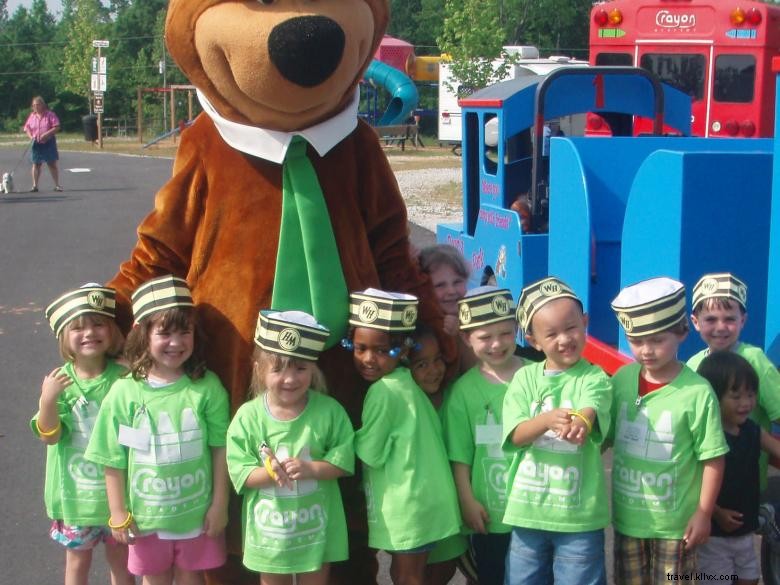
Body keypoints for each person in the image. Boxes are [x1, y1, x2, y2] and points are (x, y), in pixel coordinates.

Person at [85, 275, 230, 585]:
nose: (175, 343)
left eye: (184, 332)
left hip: (196, 517)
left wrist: (220, 505)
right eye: (164, 332)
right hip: (145, 520)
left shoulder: (207, 388)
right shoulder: (124, 393)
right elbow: (112, 458)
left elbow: (221, 449)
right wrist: (118, 512)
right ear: (142, 333)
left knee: (192, 578)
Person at [609, 277, 728, 584]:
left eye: (657, 340)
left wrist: (703, 513)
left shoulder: (697, 392)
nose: (646, 350)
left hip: (677, 528)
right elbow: (603, 436)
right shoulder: (621, 379)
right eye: (636, 341)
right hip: (628, 520)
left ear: (683, 333)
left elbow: (713, 458)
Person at [225, 310, 354, 585]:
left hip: (315, 532)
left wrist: (311, 468)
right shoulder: (248, 417)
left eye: (300, 368)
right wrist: (270, 471)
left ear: (314, 369)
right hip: (269, 536)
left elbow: (343, 462)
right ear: (259, 370)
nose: (290, 378)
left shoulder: (330, 412)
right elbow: (240, 472)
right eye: (278, 369)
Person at [502, 277, 612, 585]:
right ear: (533, 340)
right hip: (527, 513)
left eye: (571, 328)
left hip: (579, 519)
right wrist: (547, 420)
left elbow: (592, 404)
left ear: (585, 322)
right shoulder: (524, 379)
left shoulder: (594, 376)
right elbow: (516, 435)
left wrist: (582, 421)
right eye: (551, 334)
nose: (564, 339)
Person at [350, 289, 461, 585]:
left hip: (408, 505)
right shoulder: (406, 384)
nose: (369, 359)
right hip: (425, 502)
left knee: (406, 577)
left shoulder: (382, 391)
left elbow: (370, 453)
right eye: (360, 348)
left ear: (402, 350)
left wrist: (343, 441)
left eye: (382, 350)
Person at [32, 284, 134, 585]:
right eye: (78, 328)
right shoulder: (60, 381)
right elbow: (49, 436)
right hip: (75, 498)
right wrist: (47, 399)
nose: (89, 333)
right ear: (65, 338)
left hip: (118, 497)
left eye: (98, 324)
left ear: (113, 331)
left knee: (122, 563)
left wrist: (135, 377)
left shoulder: (124, 377)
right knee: (77, 564)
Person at [441, 286, 522, 585]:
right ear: (466, 338)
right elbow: (460, 458)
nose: (497, 344)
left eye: (505, 333)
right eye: (484, 337)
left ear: (517, 329)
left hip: (535, 513)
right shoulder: (463, 392)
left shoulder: (537, 376)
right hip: (490, 516)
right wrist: (467, 501)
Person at [687, 272, 780, 490]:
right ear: (695, 322)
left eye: (729, 319)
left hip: (744, 478)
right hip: (702, 478)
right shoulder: (692, 364)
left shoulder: (754, 359)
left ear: (743, 320)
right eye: (710, 319)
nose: (720, 327)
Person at [697, 351, 780, 585]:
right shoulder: (706, 437)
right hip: (714, 535)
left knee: (750, 579)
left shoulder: (752, 430)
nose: (746, 403)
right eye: (736, 395)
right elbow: (693, 483)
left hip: (744, 533)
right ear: (713, 396)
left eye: (751, 394)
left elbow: (775, 447)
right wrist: (716, 512)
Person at [406, 325, 475, 585]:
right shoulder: (404, 401)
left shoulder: (455, 394)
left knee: (450, 570)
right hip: (421, 512)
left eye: (438, 360)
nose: (434, 370)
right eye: (421, 364)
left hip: (457, 510)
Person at [417, 244, 476, 372]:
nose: (451, 291)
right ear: (424, 289)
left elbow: (476, 369)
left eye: (457, 282)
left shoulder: (474, 318)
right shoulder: (421, 324)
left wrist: (460, 335)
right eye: (439, 285)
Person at [23, 95, 63, 192]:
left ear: (43, 105)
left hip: (48, 141)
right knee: (36, 164)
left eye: (38, 104)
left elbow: (57, 127)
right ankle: (35, 186)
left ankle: (57, 185)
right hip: (36, 142)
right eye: (34, 105)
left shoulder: (50, 115)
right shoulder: (32, 116)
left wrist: (47, 134)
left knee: (51, 163)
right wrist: (31, 136)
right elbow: (26, 128)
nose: (36, 107)